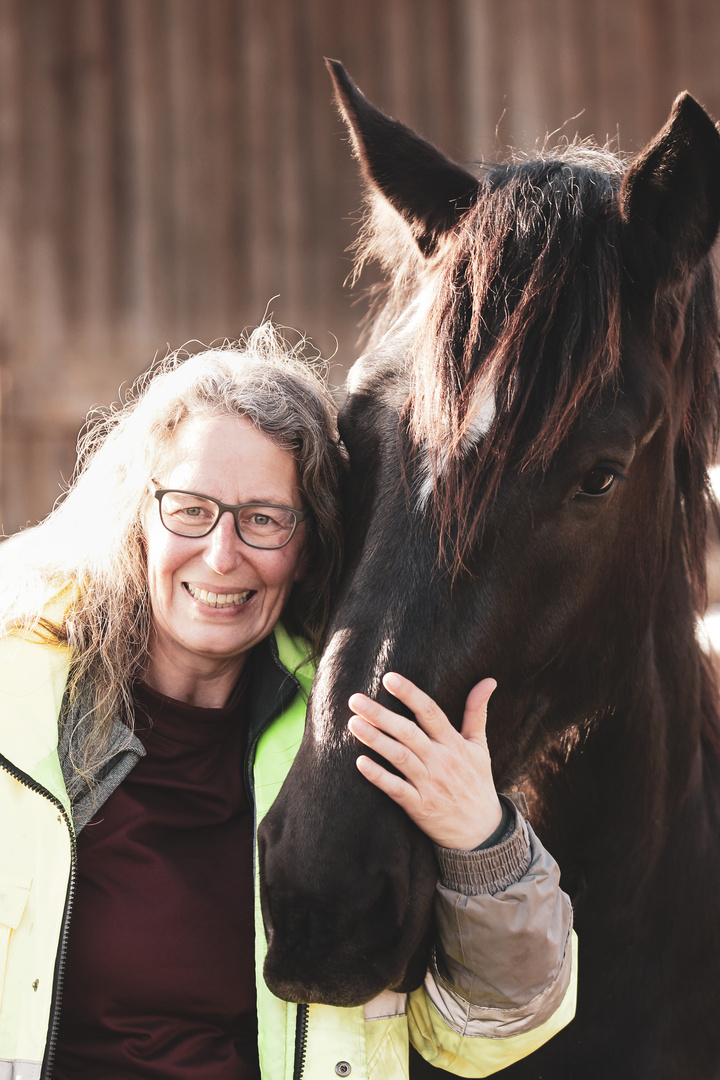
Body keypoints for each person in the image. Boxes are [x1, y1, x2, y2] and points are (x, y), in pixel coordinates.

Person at [0, 324, 575, 1080]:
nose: (221, 554)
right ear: (139, 515)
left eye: (264, 519)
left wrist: (482, 844)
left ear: (309, 545)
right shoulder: (16, 708)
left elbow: (482, 1034)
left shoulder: (352, 739)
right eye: (191, 508)